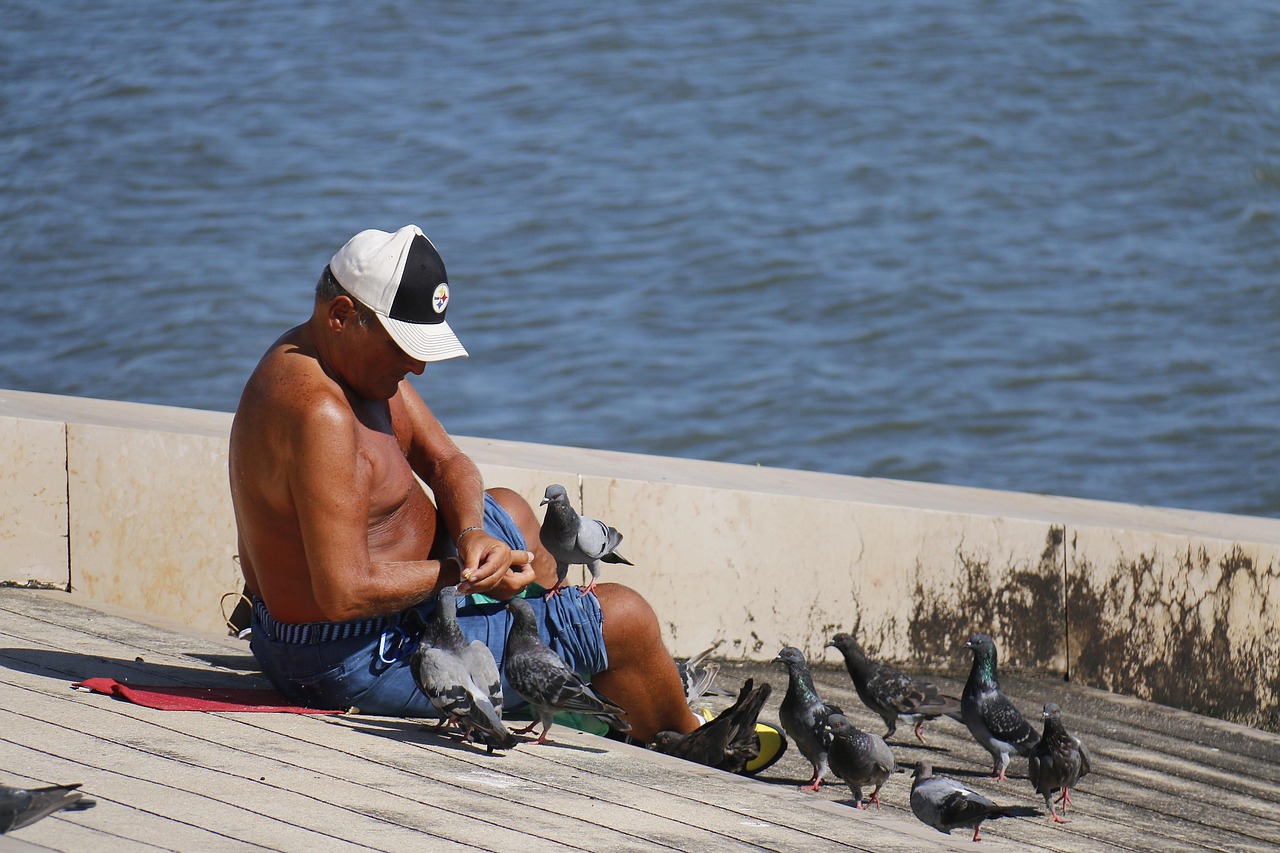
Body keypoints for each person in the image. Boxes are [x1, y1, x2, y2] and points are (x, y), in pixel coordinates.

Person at [227, 224, 700, 744]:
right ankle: (685, 739)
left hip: (392, 608)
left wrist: (472, 534)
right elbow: (343, 593)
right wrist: (466, 575)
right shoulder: (320, 413)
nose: (419, 366)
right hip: (348, 652)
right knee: (623, 617)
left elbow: (448, 461)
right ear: (342, 315)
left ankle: (553, 679)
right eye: (405, 346)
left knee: (512, 512)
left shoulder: (347, 362)